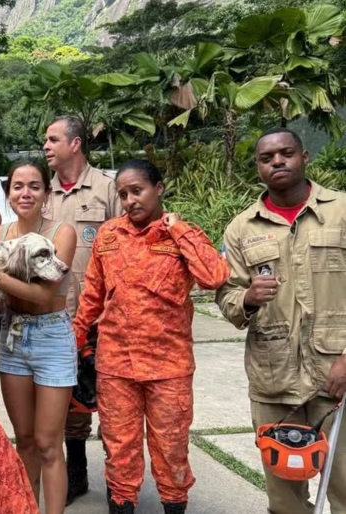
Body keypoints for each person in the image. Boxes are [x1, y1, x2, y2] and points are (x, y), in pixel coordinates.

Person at [73, 159, 229, 514]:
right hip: (116, 366)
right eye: (123, 194)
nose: (130, 200)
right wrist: (77, 341)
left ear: (159, 188)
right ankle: (122, 506)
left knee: (171, 448)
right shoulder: (109, 236)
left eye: (137, 191)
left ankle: (174, 505)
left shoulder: (180, 235)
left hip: (168, 367)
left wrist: (179, 230)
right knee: (119, 447)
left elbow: (215, 275)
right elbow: (92, 296)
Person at [216, 128, 346, 514]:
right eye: (266, 158)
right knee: (285, 497)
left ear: (304, 156)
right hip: (274, 380)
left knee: (344, 486)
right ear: (257, 167)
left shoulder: (341, 211)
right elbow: (226, 295)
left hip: (335, 374)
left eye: (285, 153)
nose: (277, 162)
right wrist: (248, 300)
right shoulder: (242, 229)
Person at [0, 160, 77, 514]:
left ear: (47, 194)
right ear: (8, 195)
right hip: (13, 338)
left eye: (34, 186)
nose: (26, 193)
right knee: (23, 440)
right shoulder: (1, 235)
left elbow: (45, 295)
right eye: (18, 186)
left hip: (51, 337)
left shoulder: (60, 233)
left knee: (48, 442)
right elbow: (1, 295)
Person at [42, 115, 123, 505]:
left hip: (104, 320)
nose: (46, 146)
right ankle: (76, 476)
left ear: (75, 144)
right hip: (58, 318)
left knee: (112, 402)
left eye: (53, 139)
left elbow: (129, 245)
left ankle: (119, 480)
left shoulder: (109, 189)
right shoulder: (43, 195)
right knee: (69, 404)